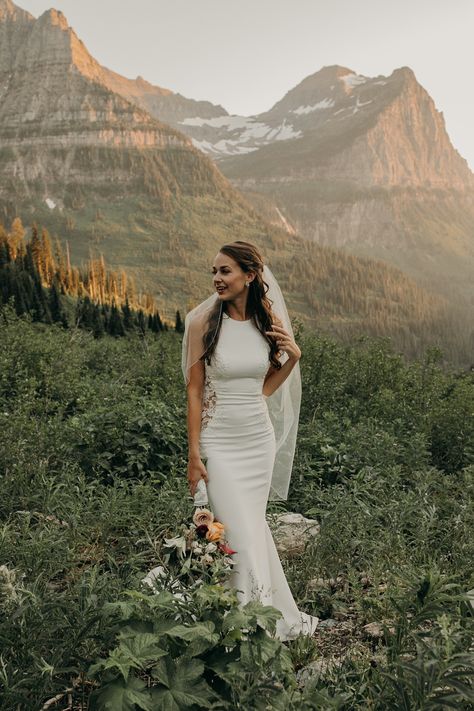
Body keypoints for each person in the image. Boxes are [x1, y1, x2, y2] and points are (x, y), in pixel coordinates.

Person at [181, 240, 319, 641]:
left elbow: (263, 389)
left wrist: (293, 358)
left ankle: (257, 614)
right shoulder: (202, 324)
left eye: (225, 271)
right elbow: (193, 391)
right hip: (218, 441)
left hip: (257, 440)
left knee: (252, 528)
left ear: (250, 275)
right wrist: (194, 452)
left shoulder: (265, 320)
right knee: (235, 532)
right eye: (214, 272)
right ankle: (241, 622)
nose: (217, 279)